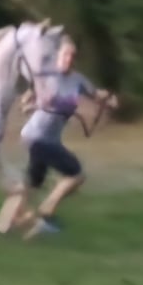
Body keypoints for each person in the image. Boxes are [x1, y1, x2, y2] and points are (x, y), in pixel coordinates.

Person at [18, 35, 118, 239]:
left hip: (50, 139)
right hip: (36, 136)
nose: (68, 59)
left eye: (72, 56)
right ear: (58, 56)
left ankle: (19, 219)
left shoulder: (78, 80)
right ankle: (45, 213)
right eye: (65, 54)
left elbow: (97, 95)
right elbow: (26, 102)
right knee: (76, 175)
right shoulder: (46, 76)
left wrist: (109, 99)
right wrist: (31, 105)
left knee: (34, 181)